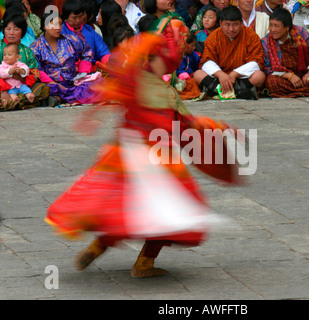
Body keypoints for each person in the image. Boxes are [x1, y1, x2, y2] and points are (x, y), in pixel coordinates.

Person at [45, 15, 240, 278]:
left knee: (124, 209)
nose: (171, 61)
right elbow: (188, 126)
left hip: (130, 158)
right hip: (150, 161)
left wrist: (219, 127)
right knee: (167, 213)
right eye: (168, 57)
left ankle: (101, 246)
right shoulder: (151, 87)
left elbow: (187, 126)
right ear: (158, 56)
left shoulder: (144, 83)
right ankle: (142, 263)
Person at [30, 12, 102, 105]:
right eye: (55, 24)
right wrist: (51, 82)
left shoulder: (71, 40)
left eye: (60, 24)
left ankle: (60, 99)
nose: (59, 28)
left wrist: (82, 73)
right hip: (53, 85)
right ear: (45, 26)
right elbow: (36, 69)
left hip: (73, 82)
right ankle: (68, 97)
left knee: (99, 83)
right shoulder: (36, 47)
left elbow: (87, 51)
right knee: (44, 89)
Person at [194, 5, 265, 99]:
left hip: (240, 78)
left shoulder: (251, 36)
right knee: (198, 74)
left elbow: (256, 63)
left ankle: (223, 91)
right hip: (219, 78)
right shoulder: (213, 37)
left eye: (235, 24)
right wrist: (221, 75)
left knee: (259, 76)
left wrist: (234, 74)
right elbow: (206, 62)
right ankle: (232, 91)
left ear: (241, 23)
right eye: (227, 25)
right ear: (220, 23)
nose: (231, 29)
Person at [261, 7, 309, 98]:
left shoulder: (300, 33)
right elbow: (268, 68)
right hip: (284, 77)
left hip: (305, 75)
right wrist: (289, 76)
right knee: (271, 82)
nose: (272, 29)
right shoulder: (266, 41)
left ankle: (294, 92)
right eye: (271, 25)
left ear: (287, 27)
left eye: (277, 26)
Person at [0, 13, 49, 111]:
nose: (11, 33)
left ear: (22, 32)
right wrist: (3, 90)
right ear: (4, 30)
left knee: (44, 88)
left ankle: (15, 102)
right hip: (3, 87)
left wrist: (22, 77)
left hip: (22, 87)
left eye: (16, 29)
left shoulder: (27, 51)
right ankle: (24, 103)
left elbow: (35, 72)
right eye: (8, 29)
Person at [61, 0, 111, 66]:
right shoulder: (60, 32)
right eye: (74, 18)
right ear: (65, 18)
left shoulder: (89, 30)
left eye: (80, 16)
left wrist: (107, 60)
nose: (78, 20)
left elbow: (102, 49)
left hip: (92, 68)